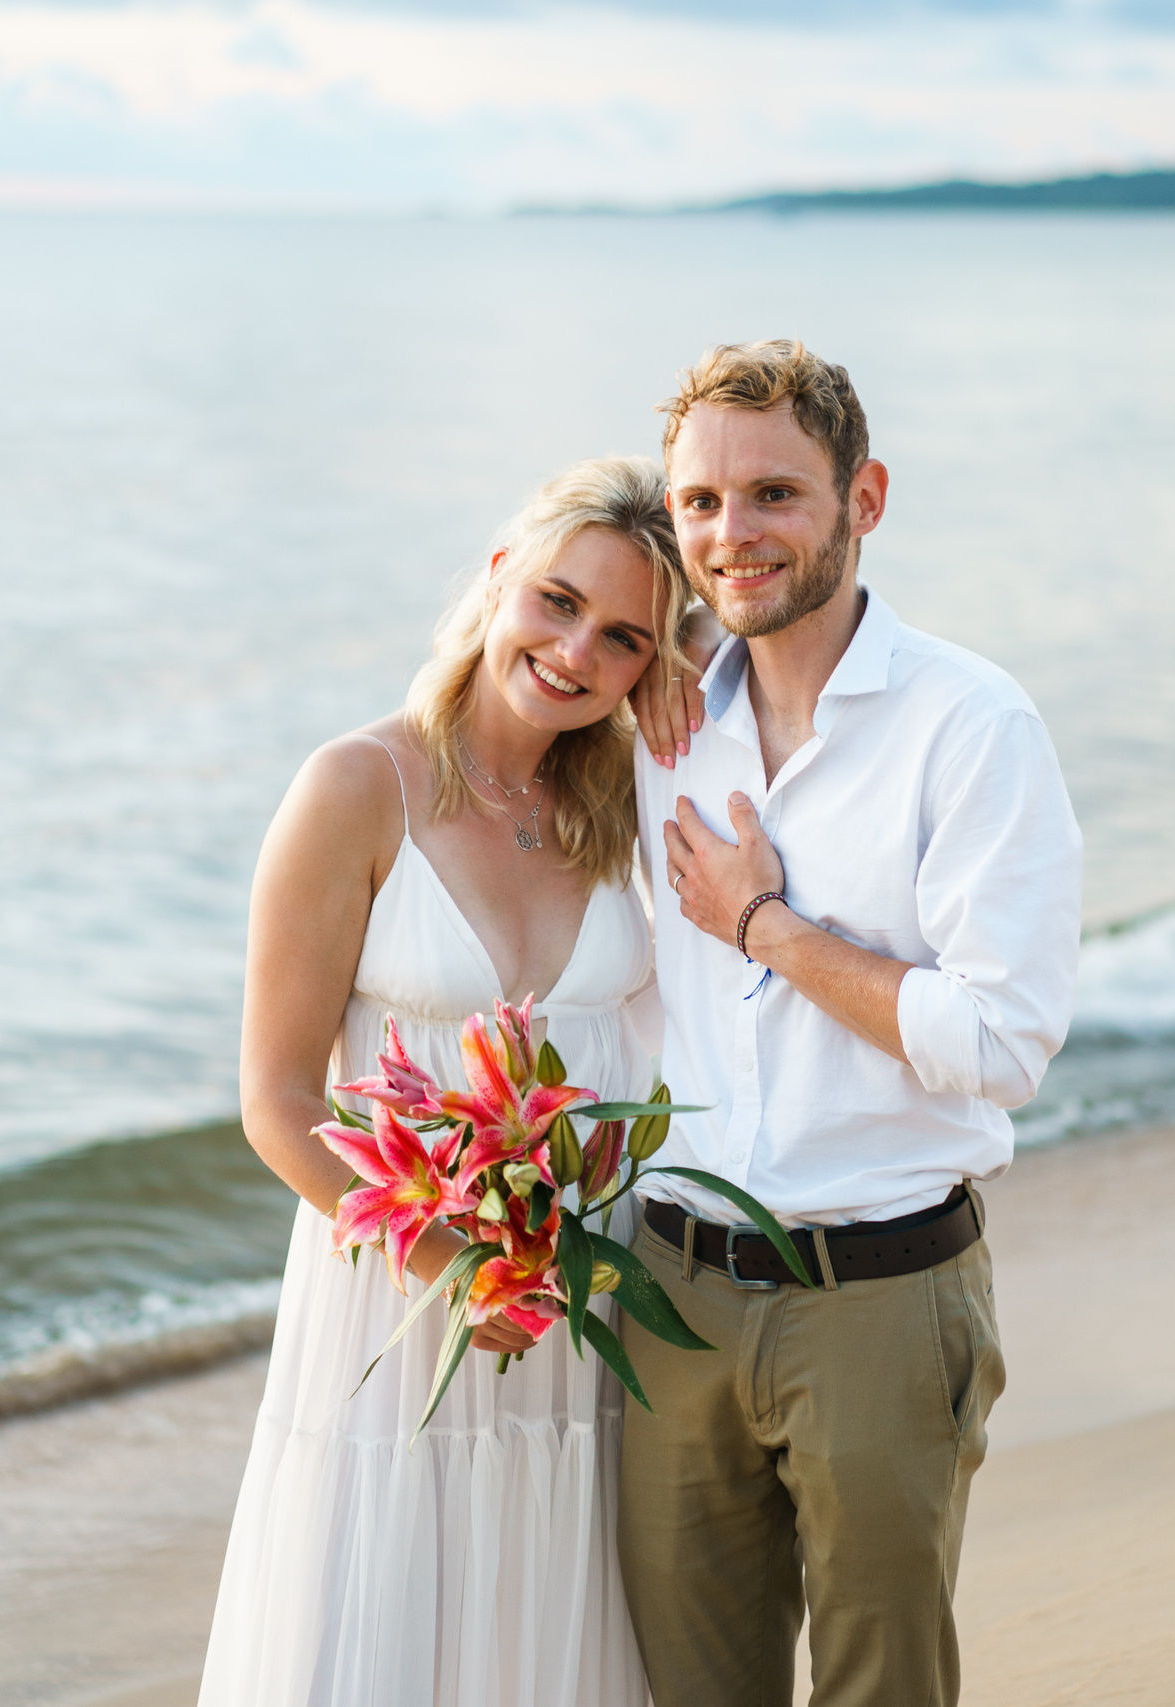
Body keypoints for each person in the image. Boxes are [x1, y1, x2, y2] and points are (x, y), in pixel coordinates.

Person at [618, 341, 1085, 1707]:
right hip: (674, 1297)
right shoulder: (654, 718)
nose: (733, 533)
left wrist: (769, 928)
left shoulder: (971, 724)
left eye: (775, 493)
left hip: (879, 1294)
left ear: (862, 498)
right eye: (698, 504)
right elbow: (514, 628)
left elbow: (1004, 1041)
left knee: (884, 1689)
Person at [198, 455, 695, 1707]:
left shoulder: (624, 809)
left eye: (626, 638)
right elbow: (276, 1098)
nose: (577, 652)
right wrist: (461, 1271)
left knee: (550, 1621)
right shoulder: (357, 787)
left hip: (584, 1298)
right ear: (495, 580)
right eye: (557, 601)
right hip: (403, 1300)